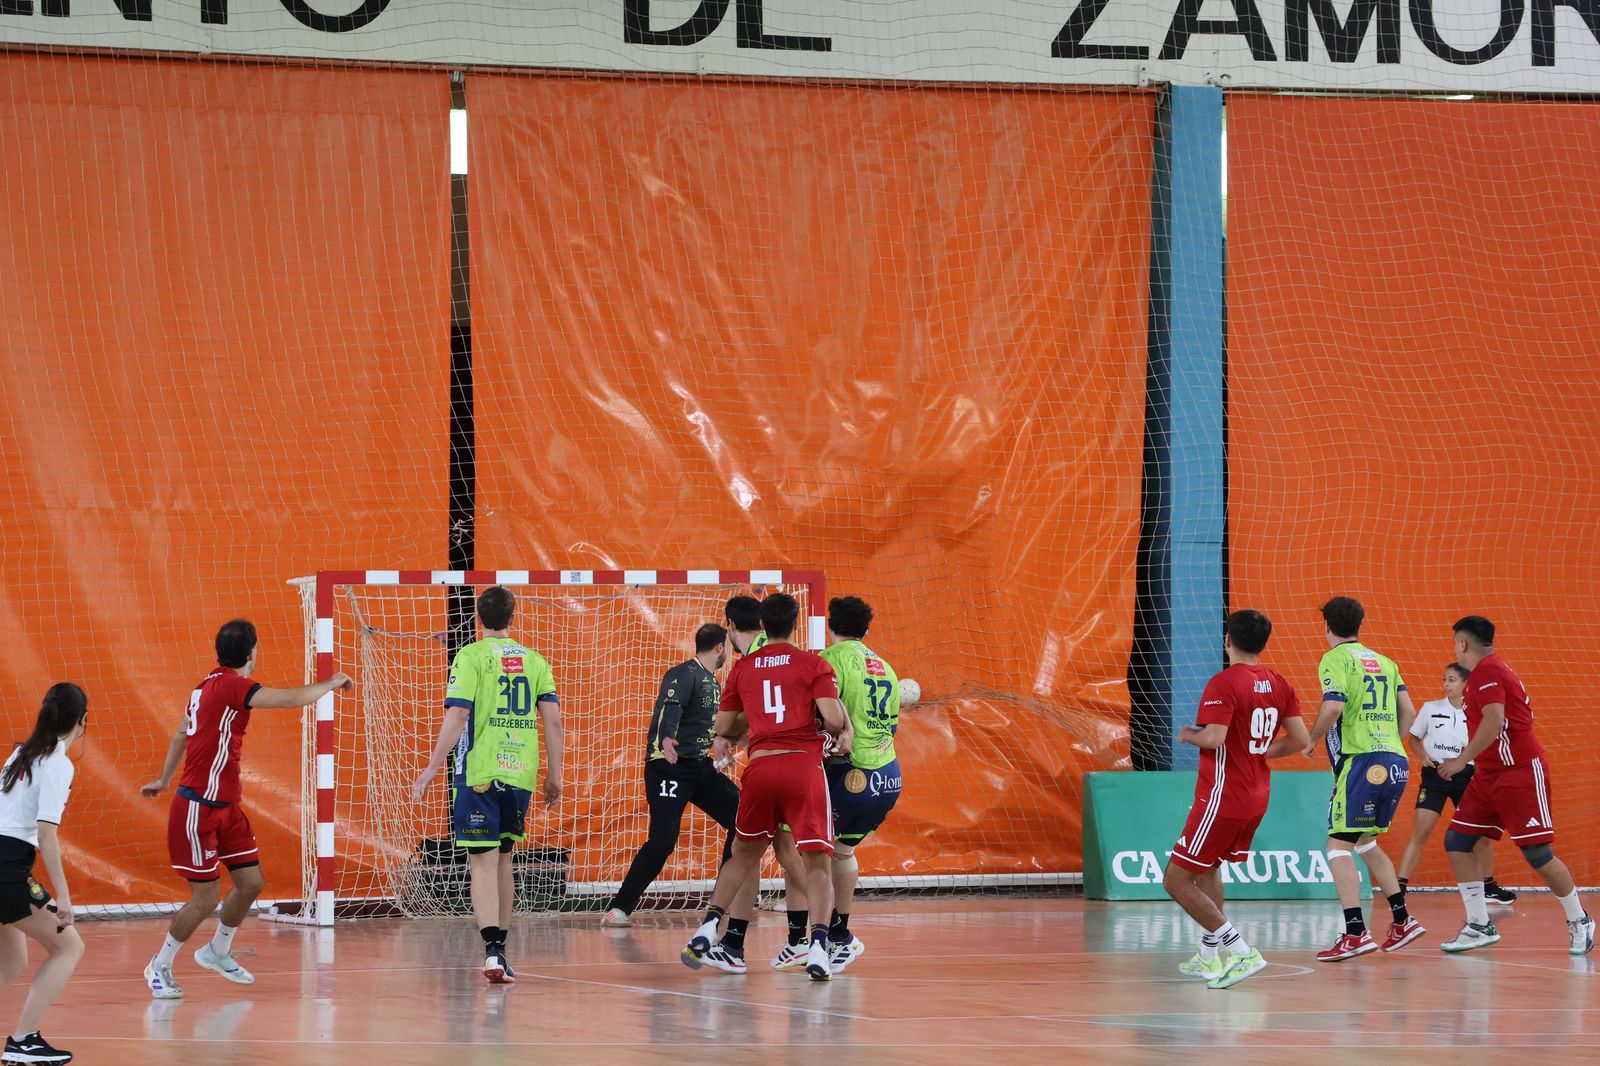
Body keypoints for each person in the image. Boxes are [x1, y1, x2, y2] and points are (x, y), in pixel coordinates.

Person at [141, 621, 353, 1000]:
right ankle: (159, 965)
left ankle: (217, 951)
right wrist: (333, 682)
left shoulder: (205, 686)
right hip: (198, 807)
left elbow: (179, 733)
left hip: (227, 806)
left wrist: (161, 777)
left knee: (251, 883)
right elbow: (290, 699)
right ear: (253, 652)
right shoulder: (230, 685)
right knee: (205, 898)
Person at [679, 593, 850, 981]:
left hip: (760, 768)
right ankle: (820, 945)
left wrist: (752, 724)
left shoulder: (745, 667)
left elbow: (724, 728)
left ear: (759, 625)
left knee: (741, 855)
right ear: (796, 622)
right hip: (802, 767)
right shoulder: (814, 663)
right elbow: (835, 720)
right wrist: (828, 716)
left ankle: (710, 927)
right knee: (817, 862)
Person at [411, 586, 565, 983]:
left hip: (479, 773)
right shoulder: (535, 660)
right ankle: (502, 952)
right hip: (521, 774)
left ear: (478, 618)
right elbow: (553, 721)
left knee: (481, 861)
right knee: (504, 860)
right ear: (514, 616)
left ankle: (493, 953)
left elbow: (459, 712)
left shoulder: (471, 655)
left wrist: (431, 766)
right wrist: (555, 775)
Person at [1162, 610, 1309, 991]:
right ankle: (1209, 957)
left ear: (1228, 640)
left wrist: (1186, 734)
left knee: (1176, 880)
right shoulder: (1279, 682)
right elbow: (1299, 740)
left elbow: (1212, 738)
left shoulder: (1224, 682)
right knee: (1208, 869)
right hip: (1257, 793)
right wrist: (1259, 753)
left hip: (1223, 795)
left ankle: (1241, 951)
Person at [1436, 616, 1592, 955]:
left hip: (1519, 773)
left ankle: (1580, 919)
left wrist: (1460, 760)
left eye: (1454, 643)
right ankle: (1478, 924)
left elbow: (1493, 722)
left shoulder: (1490, 671)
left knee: (1537, 855)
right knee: (1458, 840)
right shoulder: (1482, 674)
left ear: (1462, 644)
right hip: (1488, 776)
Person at [602, 624, 759, 938]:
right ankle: (618, 908)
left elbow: (718, 727)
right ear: (719, 647)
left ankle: (721, 899)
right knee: (663, 840)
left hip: (699, 768)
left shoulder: (714, 684)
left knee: (742, 817)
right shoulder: (683, 674)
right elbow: (668, 709)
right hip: (669, 768)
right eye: (726, 648)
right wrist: (667, 738)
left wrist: (740, 738)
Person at [1305, 597, 1421, 961]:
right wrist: (1389, 748)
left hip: (1361, 761)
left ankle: (1355, 932)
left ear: (1327, 626)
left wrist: (1311, 739)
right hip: (1395, 761)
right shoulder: (1386, 662)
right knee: (1367, 844)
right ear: (1360, 624)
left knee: (1337, 848)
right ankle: (1402, 921)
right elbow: (1410, 712)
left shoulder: (1335, 659)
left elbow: (1334, 705)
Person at [0, 684, 89, 1066]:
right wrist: (64, 898)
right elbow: (46, 834)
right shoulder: (58, 763)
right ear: (83, 722)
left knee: (11, 962)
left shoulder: (20, 753)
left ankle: (24, 1041)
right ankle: (23, 1042)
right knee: (69, 946)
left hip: (3, 861)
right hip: (7, 867)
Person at [813, 596, 903, 972]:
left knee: (813, 856)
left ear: (830, 626)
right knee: (842, 854)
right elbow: (893, 725)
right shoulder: (887, 668)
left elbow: (823, 715)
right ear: (867, 630)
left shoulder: (830, 660)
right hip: (889, 774)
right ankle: (839, 935)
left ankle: (814, 940)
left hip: (850, 773)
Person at [1395, 663, 1512, 905]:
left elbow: (1486, 742)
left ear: (1465, 685)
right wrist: (1422, 756)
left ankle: (1489, 886)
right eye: (1445, 679)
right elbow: (1414, 739)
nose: (1446, 685)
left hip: (1467, 777)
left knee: (1481, 836)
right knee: (1421, 831)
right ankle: (1398, 889)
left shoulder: (1477, 714)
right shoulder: (1430, 708)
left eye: (1452, 680)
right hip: (1435, 776)